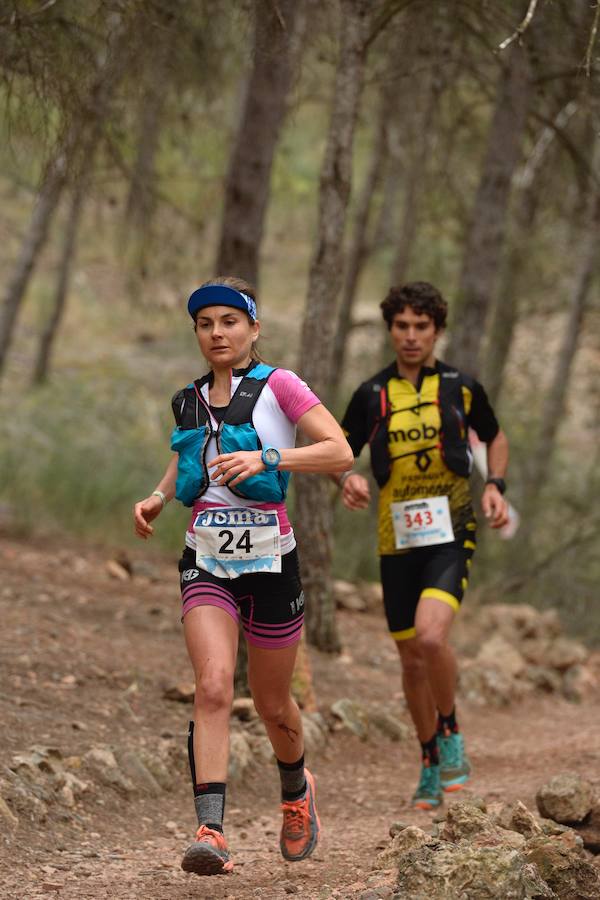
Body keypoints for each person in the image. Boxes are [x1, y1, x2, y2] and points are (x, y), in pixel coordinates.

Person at [133, 276, 353, 875]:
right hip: (205, 557)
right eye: (205, 324)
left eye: (229, 322)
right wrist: (156, 497)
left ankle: (295, 791)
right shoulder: (189, 397)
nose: (217, 333)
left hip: (272, 563)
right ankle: (211, 831)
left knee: (274, 703)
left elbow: (339, 450)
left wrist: (270, 457)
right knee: (213, 686)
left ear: (253, 328)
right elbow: (188, 455)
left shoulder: (279, 386)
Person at [335, 281, 509, 810]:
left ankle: (451, 731)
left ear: (436, 330)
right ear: (391, 330)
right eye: (402, 326)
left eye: (421, 327)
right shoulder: (371, 394)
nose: (411, 337)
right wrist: (346, 478)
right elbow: (337, 448)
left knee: (432, 639)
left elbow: (495, 437)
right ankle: (430, 759)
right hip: (396, 541)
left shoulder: (461, 386)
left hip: (452, 531)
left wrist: (496, 486)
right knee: (410, 660)